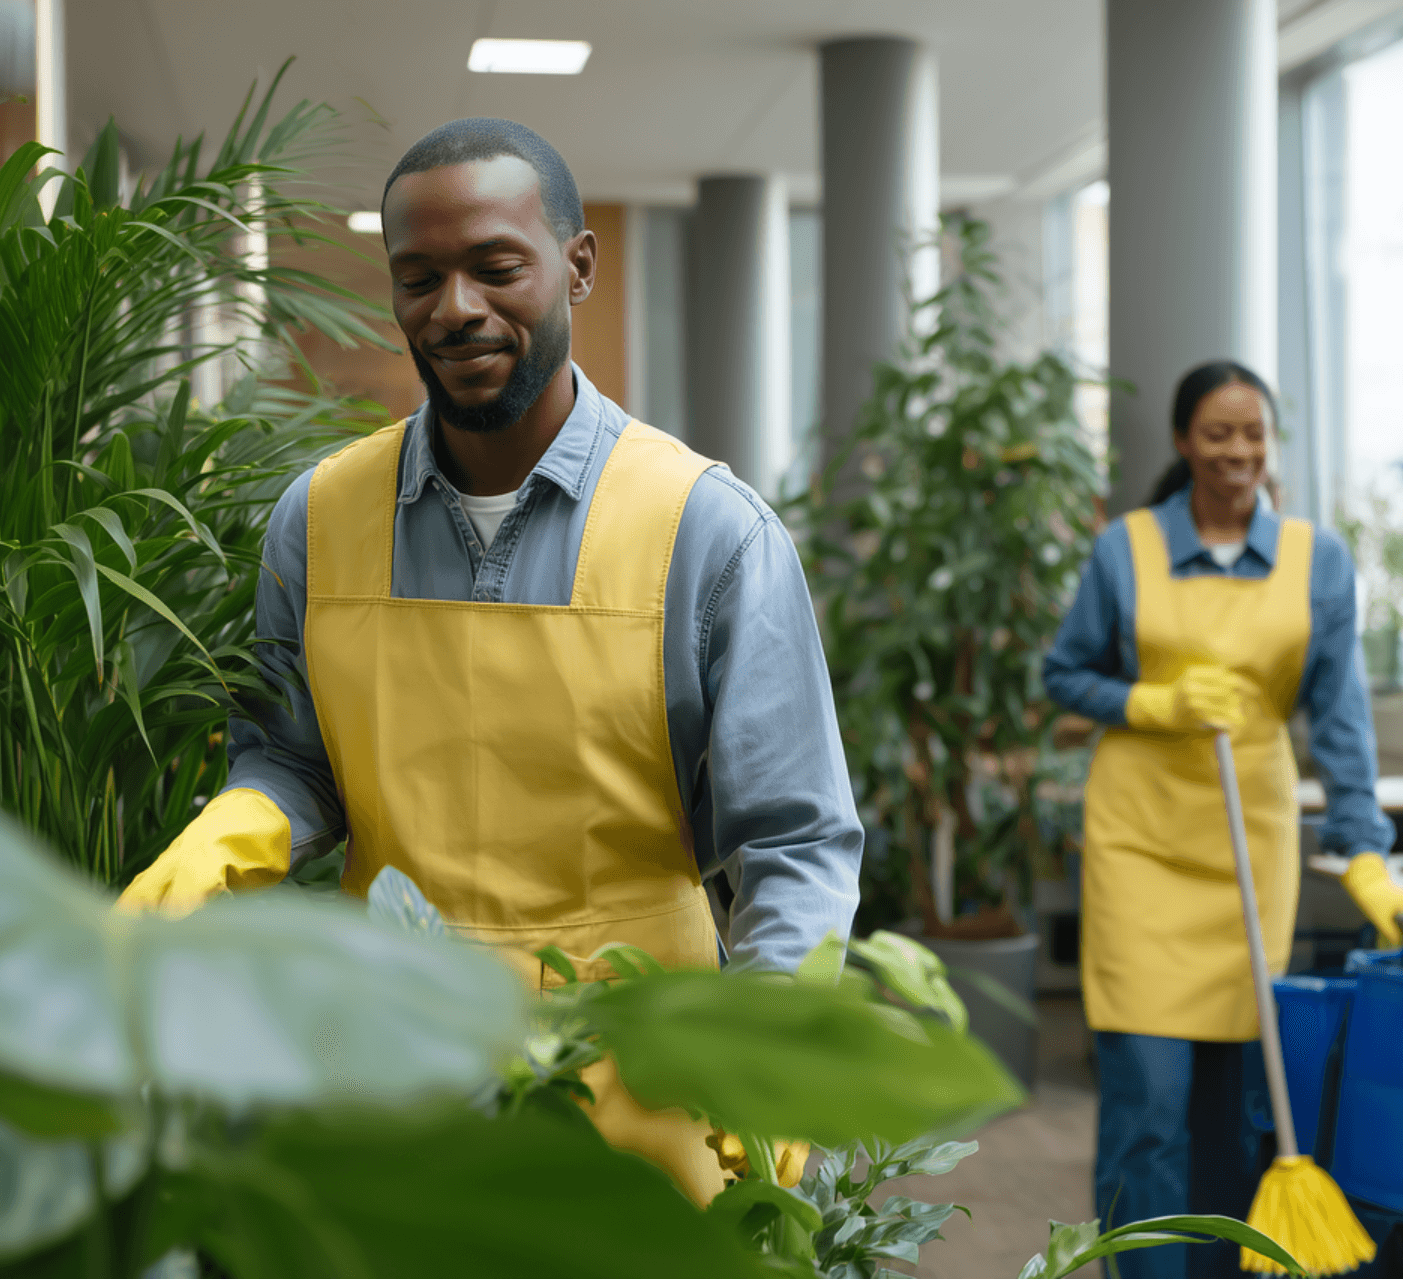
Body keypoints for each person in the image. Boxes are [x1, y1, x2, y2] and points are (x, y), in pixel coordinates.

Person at [118, 118, 863, 1202]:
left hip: (646, 1093)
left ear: (578, 265)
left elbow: (792, 839)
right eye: (418, 277)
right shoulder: (318, 519)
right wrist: (231, 836)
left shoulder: (707, 531)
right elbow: (295, 755)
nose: (454, 308)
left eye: (495, 267)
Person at [1042, 361, 1403, 1277]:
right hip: (1140, 845)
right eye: (1218, 434)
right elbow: (1063, 674)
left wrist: (1365, 850)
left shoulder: (1315, 559)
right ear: (1184, 442)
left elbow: (1341, 721)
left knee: (1233, 1106)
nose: (1239, 451)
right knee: (1148, 1102)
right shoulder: (1127, 549)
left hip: (1251, 845)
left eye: (1254, 433)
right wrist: (1150, 703)